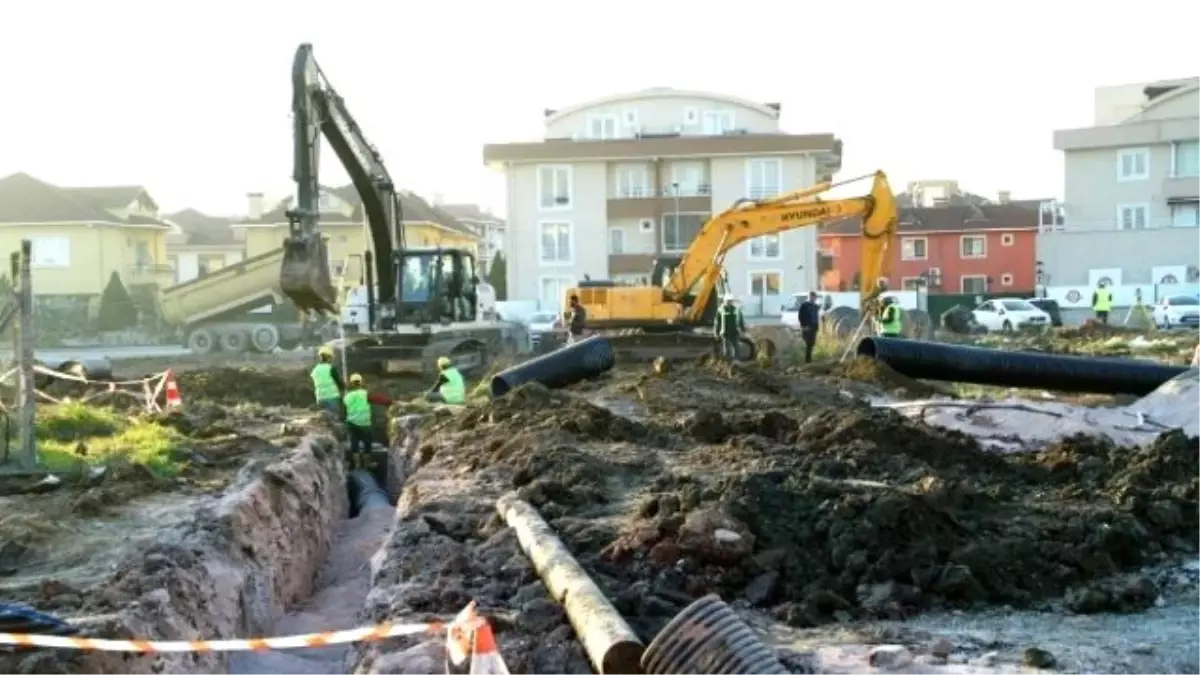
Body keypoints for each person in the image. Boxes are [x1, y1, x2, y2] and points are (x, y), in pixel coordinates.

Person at [342, 373, 373, 463]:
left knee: (354, 444)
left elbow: (344, 408)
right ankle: (367, 464)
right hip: (365, 424)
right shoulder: (366, 394)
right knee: (367, 444)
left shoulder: (347, 396)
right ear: (361, 382)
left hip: (352, 423)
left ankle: (357, 465)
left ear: (351, 383)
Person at [311, 346, 345, 417]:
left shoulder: (315, 370)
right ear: (329, 357)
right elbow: (338, 382)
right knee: (334, 418)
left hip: (320, 397)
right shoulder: (331, 368)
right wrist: (343, 388)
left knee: (323, 419)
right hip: (332, 397)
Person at [713, 295, 746, 360]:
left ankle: (737, 362)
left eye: (730, 301)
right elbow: (717, 322)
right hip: (725, 332)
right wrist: (716, 333)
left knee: (736, 347)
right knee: (727, 349)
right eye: (727, 301)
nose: (729, 302)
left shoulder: (736, 309)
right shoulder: (720, 310)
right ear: (724, 301)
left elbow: (740, 320)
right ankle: (727, 362)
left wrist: (743, 330)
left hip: (735, 332)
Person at [797, 291, 821, 363]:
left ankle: (809, 359)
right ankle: (807, 360)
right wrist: (803, 326)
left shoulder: (815, 306)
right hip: (806, 327)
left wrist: (817, 327)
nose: (813, 298)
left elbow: (816, 317)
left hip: (814, 327)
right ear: (809, 297)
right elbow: (800, 316)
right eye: (812, 297)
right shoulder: (804, 306)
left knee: (812, 343)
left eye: (814, 297)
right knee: (808, 343)